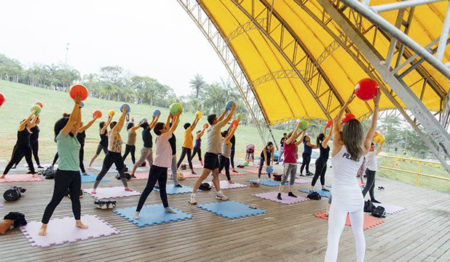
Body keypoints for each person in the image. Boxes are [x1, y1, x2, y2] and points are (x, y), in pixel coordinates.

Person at [324, 90, 380, 262]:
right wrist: (376, 104)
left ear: (345, 130)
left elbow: (335, 121)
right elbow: (372, 128)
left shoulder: (338, 143)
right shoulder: (362, 148)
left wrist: (347, 102)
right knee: (358, 234)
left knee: (333, 240)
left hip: (340, 198)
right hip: (356, 197)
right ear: (359, 134)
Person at [39, 96, 88, 236]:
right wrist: (77, 104)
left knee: (75, 198)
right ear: (64, 127)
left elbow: (76, 121)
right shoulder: (62, 136)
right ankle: (44, 225)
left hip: (75, 173)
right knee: (56, 200)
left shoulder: (74, 137)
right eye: (72, 125)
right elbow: (73, 120)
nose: (75, 126)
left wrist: (79, 108)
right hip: (63, 173)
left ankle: (78, 221)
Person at [133, 113, 181, 219]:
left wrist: (169, 117)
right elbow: (173, 126)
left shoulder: (163, 136)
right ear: (161, 130)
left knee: (163, 188)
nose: (166, 128)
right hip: (156, 167)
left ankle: (166, 206)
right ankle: (137, 211)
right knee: (148, 188)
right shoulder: (163, 137)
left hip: (163, 167)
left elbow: (169, 127)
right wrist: (176, 116)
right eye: (164, 127)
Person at [189, 103, 236, 205]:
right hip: (210, 155)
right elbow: (227, 119)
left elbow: (220, 118)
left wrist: (225, 110)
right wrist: (232, 110)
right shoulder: (216, 127)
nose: (218, 119)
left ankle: (219, 194)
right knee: (203, 176)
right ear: (215, 121)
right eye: (216, 118)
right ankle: (192, 196)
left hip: (215, 155)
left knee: (216, 175)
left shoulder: (212, 127)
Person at [92, 110, 132, 194]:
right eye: (117, 126)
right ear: (114, 127)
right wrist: (124, 112)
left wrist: (124, 115)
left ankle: (126, 187)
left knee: (121, 171)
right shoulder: (112, 132)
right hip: (110, 155)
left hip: (118, 155)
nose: (119, 127)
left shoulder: (117, 132)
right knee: (103, 171)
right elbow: (120, 122)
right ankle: (94, 189)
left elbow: (121, 123)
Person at [1, 111, 38, 178]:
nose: (29, 122)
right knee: (12, 161)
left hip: (27, 147)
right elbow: (28, 120)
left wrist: (36, 115)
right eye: (27, 122)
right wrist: (33, 112)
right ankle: (3, 174)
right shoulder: (21, 127)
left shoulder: (28, 128)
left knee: (29, 160)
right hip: (19, 147)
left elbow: (33, 122)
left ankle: (33, 173)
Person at [277, 123, 305, 200]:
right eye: (293, 136)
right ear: (290, 137)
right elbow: (293, 136)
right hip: (287, 163)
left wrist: (303, 132)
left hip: (294, 163)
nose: (294, 138)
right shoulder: (286, 143)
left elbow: (301, 140)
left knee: (292, 178)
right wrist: (298, 127)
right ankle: (279, 194)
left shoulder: (294, 144)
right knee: (284, 178)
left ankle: (290, 192)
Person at [309, 125, 333, 192]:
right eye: (324, 137)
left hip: (324, 162)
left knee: (323, 175)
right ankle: (311, 188)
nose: (326, 137)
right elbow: (329, 135)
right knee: (317, 175)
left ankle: (323, 187)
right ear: (323, 138)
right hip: (320, 162)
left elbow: (325, 135)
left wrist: (325, 128)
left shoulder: (323, 142)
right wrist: (331, 127)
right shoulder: (323, 142)